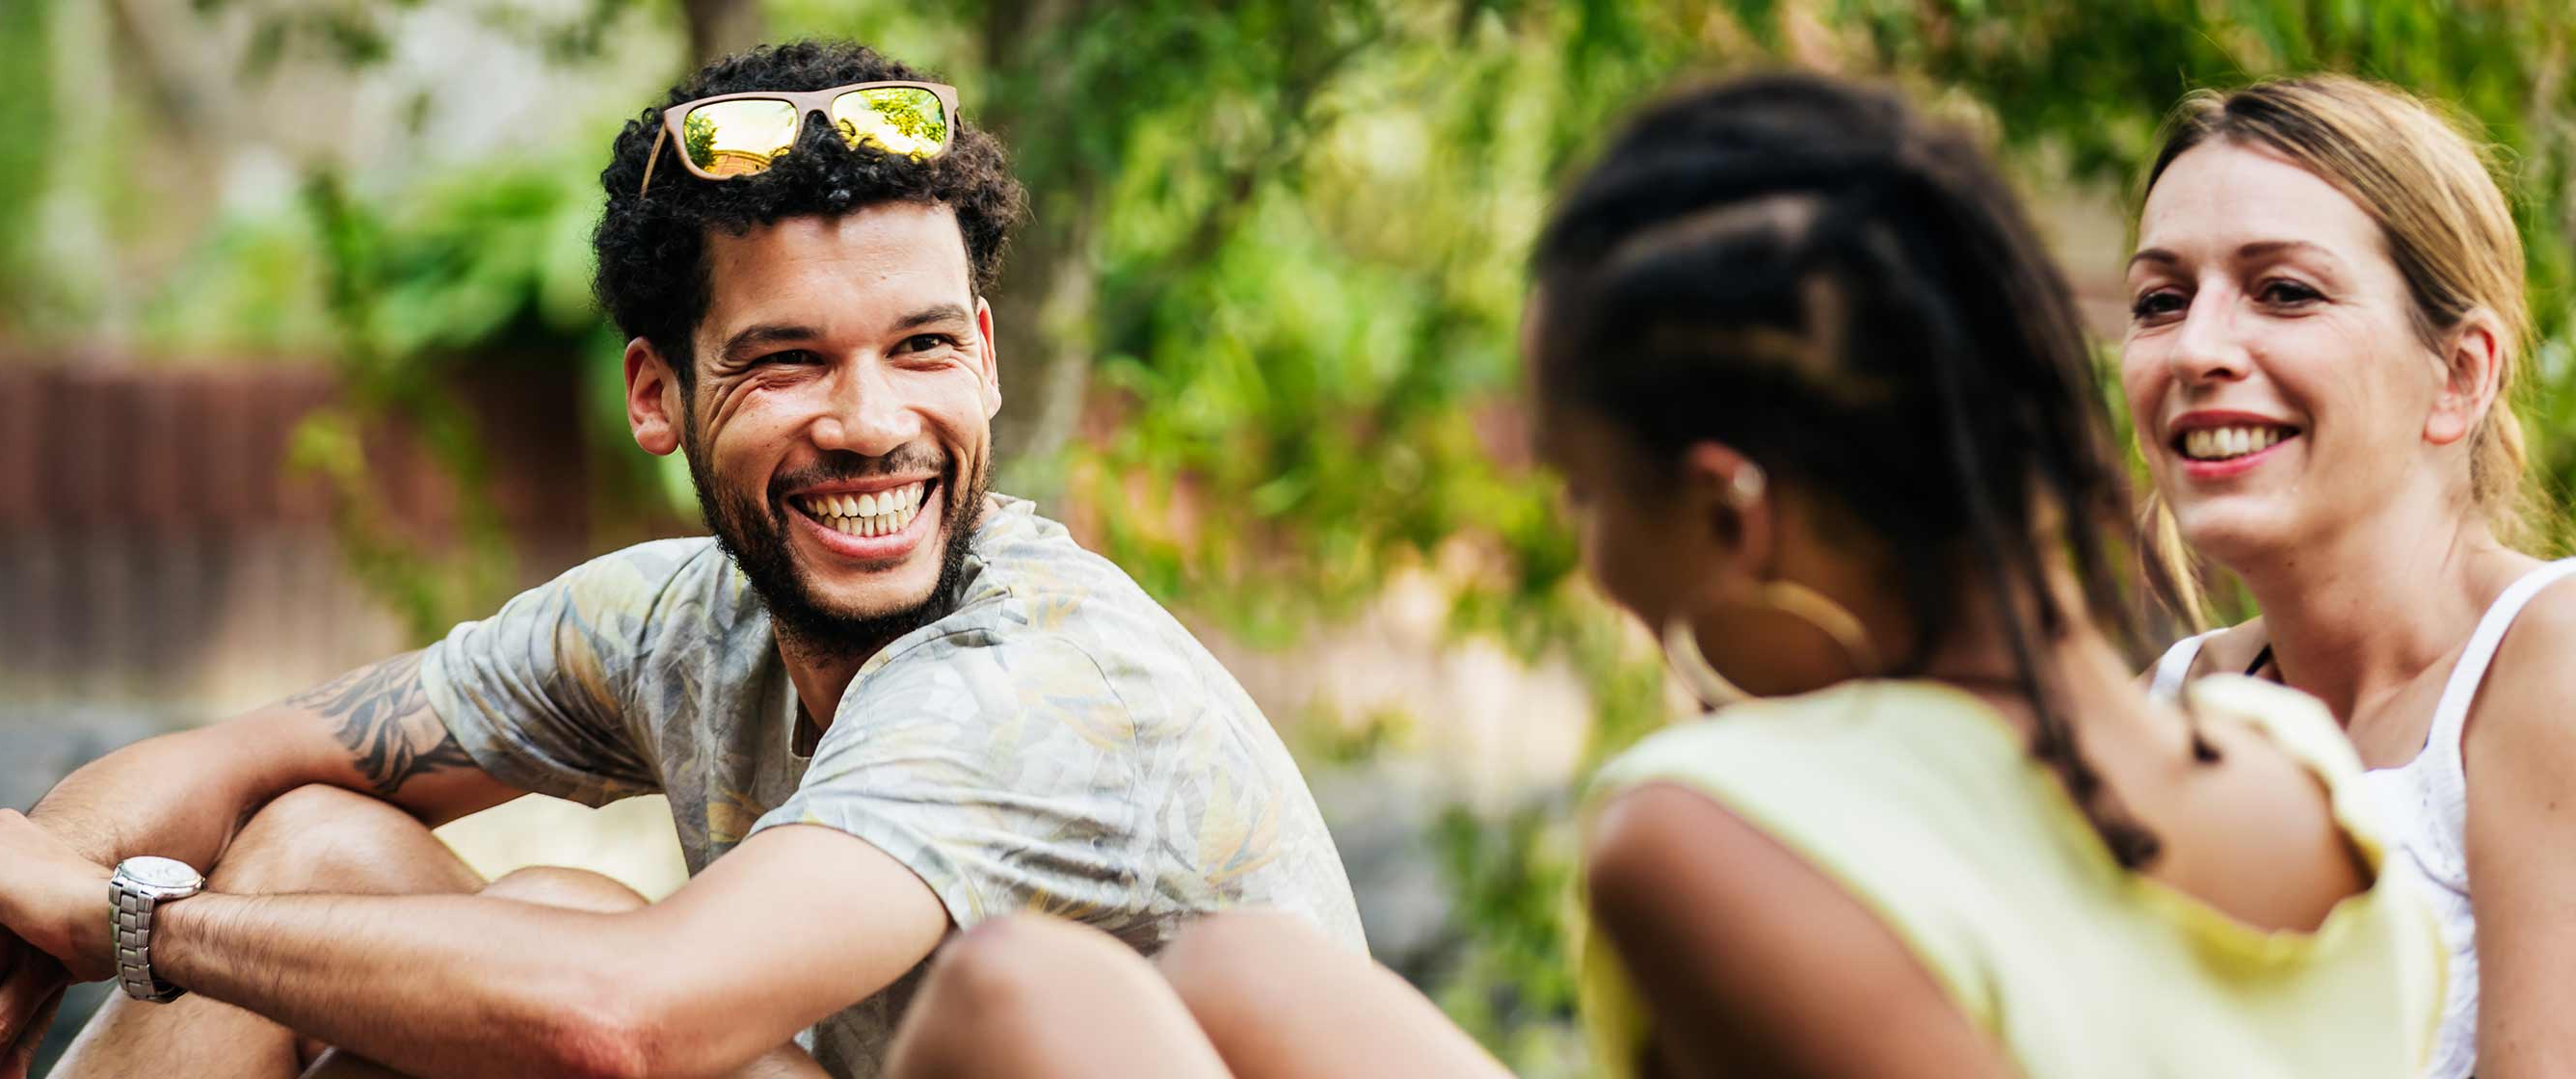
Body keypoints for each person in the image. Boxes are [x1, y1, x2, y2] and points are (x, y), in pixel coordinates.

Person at [875, 71, 2446, 1079]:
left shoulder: (1713, 832)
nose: (1589, 557)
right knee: (1235, 964)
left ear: (1731, 516)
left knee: (1023, 1003)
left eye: (1582, 493)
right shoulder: (2286, 759)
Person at [0, 39, 1363, 1079]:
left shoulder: (1032, 682)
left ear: (981, 356)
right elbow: (248, 757)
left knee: (564, 964)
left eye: (917, 348)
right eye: (784, 362)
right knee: (327, 848)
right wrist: (24, 892)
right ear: (658, 393)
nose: (868, 422)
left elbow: (617, 1028)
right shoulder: (677, 624)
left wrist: (135, 928)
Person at [2130, 74, 2576, 1078]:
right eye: (2160, 301)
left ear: (2459, 375)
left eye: (2284, 290)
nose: (2197, 348)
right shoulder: (2168, 703)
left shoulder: (2548, 660)